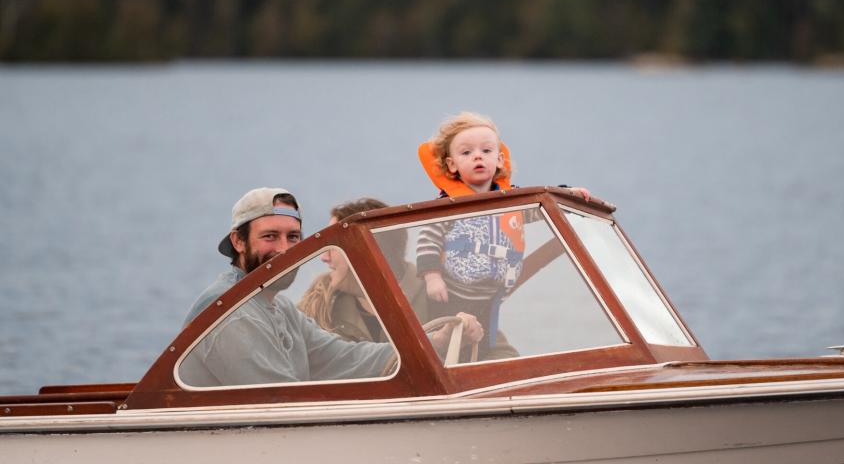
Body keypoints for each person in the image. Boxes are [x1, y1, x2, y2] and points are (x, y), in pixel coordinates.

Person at [179, 187, 483, 387]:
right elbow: (277, 400)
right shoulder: (231, 310)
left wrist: (438, 342)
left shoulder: (277, 306)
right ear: (238, 241)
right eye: (270, 237)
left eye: (294, 238)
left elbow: (344, 357)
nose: (285, 250)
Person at [415, 112, 589, 358]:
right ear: (452, 164)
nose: (477, 156)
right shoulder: (447, 205)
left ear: (499, 160)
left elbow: (537, 209)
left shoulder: (512, 200)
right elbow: (427, 239)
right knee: (453, 345)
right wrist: (432, 277)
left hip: (490, 296)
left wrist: (568, 195)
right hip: (451, 294)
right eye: (466, 152)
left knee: (484, 346)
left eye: (486, 151)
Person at [298, 197, 428, 343]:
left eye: (333, 245)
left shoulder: (438, 292)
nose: (324, 257)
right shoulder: (318, 313)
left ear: (367, 249)